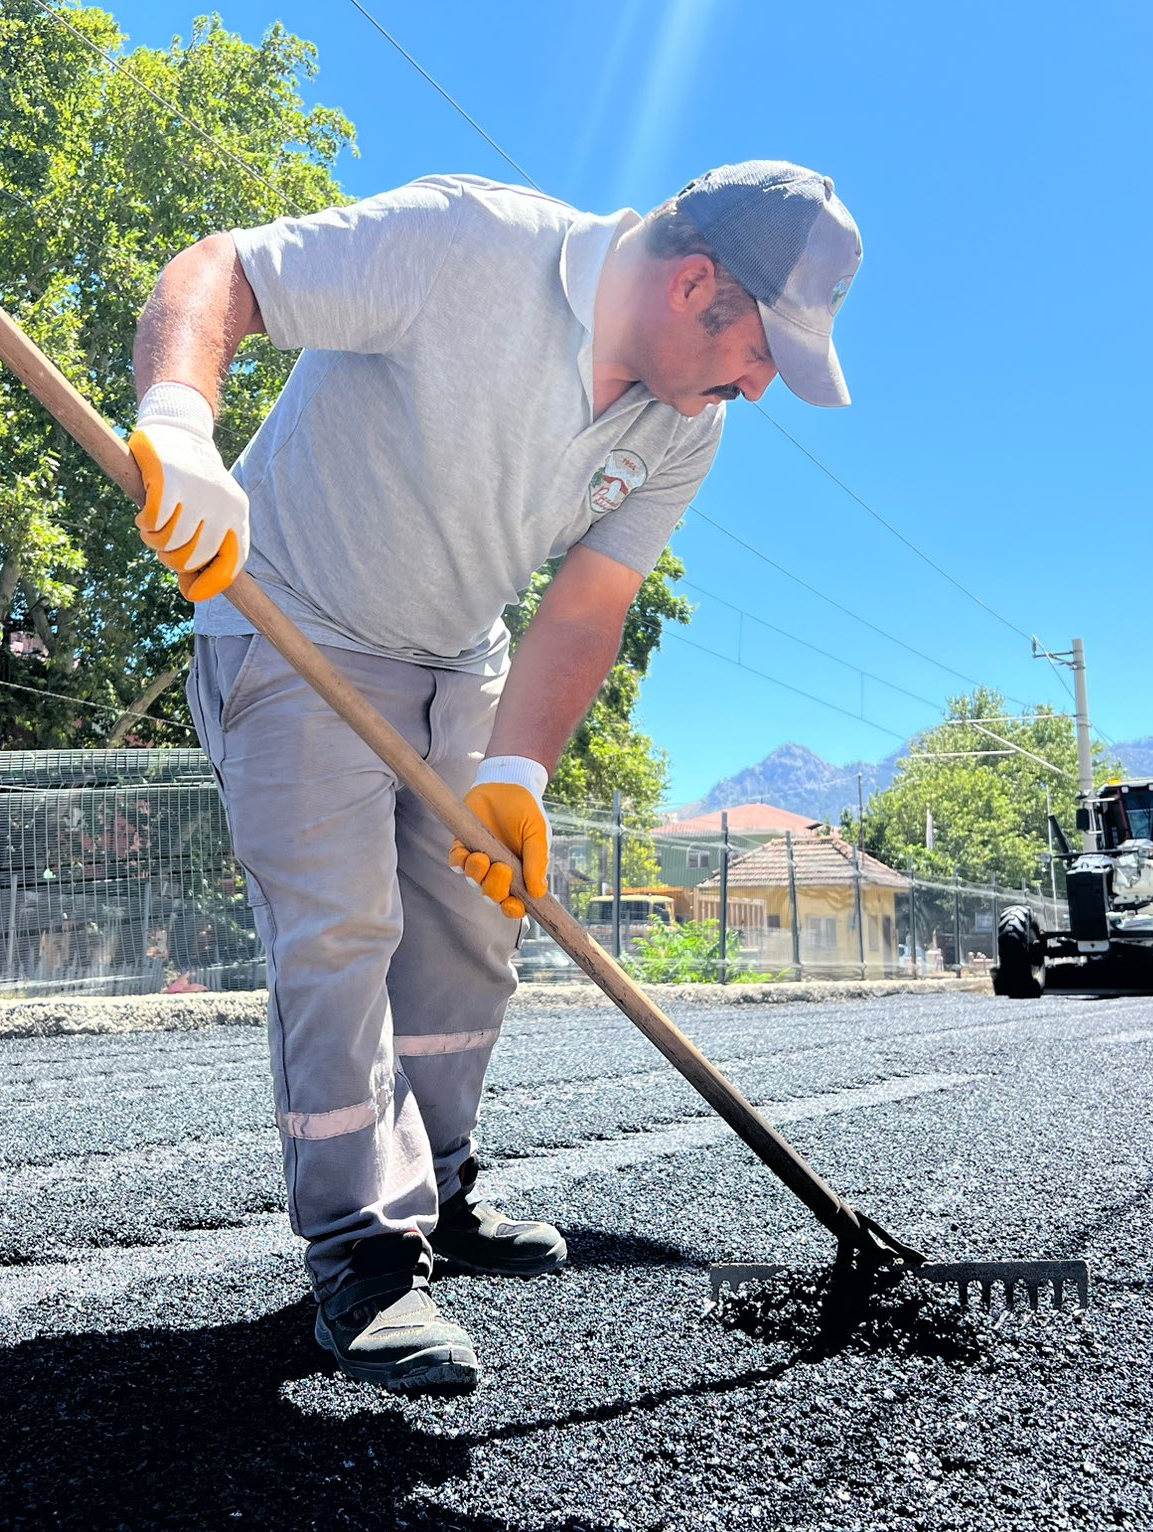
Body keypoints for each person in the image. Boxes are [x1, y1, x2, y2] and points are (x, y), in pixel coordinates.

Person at [128, 164, 863, 1390]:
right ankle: (362, 1251)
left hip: (454, 654)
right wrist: (175, 419)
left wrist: (514, 767)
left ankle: (443, 1182)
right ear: (696, 286)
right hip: (290, 618)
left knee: (479, 918)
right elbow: (225, 274)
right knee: (341, 928)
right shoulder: (465, 244)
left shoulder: (685, 423)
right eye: (761, 348)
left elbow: (590, 599)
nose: (758, 381)